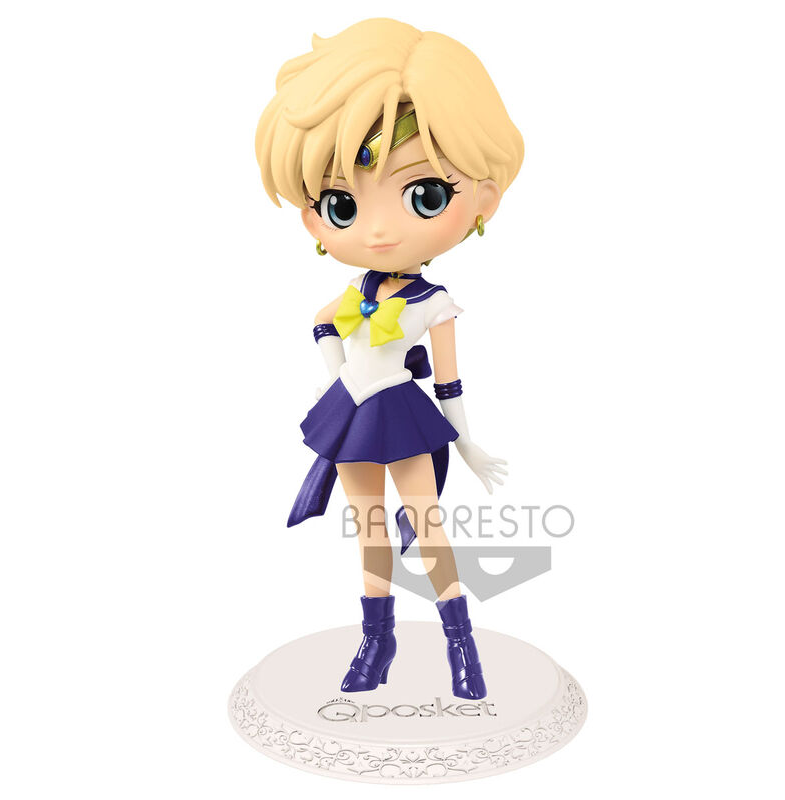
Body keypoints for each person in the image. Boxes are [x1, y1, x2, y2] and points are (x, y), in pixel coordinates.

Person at [255, 18, 524, 699]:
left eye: (423, 195)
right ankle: (377, 639)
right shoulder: (356, 292)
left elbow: (451, 383)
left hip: (402, 414)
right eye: (341, 202)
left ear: (482, 202)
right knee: (370, 529)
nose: (377, 230)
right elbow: (322, 322)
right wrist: (338, 381)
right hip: (351, 413)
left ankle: (461, 643)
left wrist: (468, 445)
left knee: (428, 525)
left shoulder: (436, 304)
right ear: (316, 218)